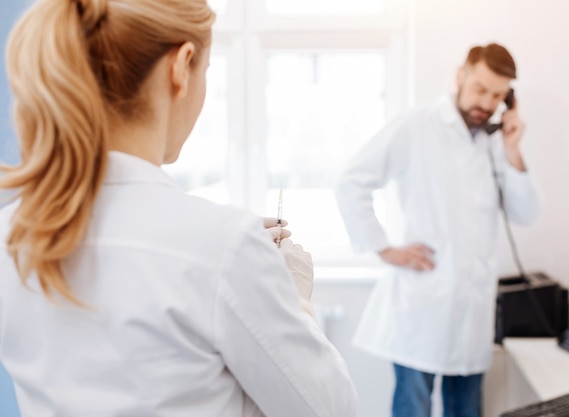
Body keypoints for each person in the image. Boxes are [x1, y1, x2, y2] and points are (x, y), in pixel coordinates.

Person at [0, 0, 358, 416]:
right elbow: (331, 409)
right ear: (181, 66)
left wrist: (234, 258)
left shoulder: (11, 233)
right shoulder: (225, 249)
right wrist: (291, 297)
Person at [335, 43, 540, 417]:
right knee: (413, 408)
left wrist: (513, 148)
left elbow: (525, 213)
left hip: (472, 313)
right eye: (480, 88)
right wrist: (384, 248)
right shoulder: (416, 125)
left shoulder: (495, 141)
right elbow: (351, 181)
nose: (486, 102)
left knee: (466, 410)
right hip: (422, 310)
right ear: (460, 76)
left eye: (497, 95)